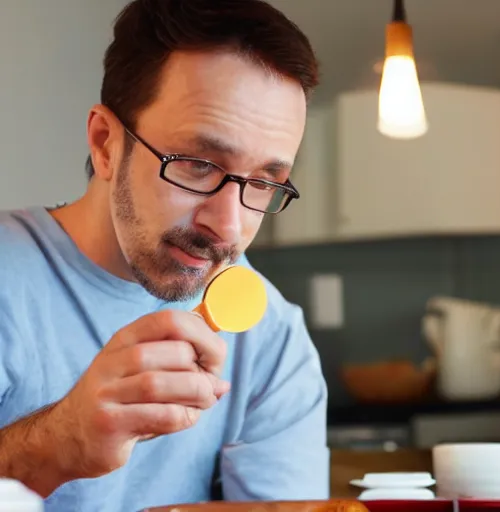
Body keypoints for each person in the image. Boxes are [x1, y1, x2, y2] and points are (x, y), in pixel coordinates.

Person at [0, 0, 329, 511]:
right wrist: (55, 444)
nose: (227, 225)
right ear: (105, 143)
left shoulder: (273, 338)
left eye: (265, 182)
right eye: (198, 165)